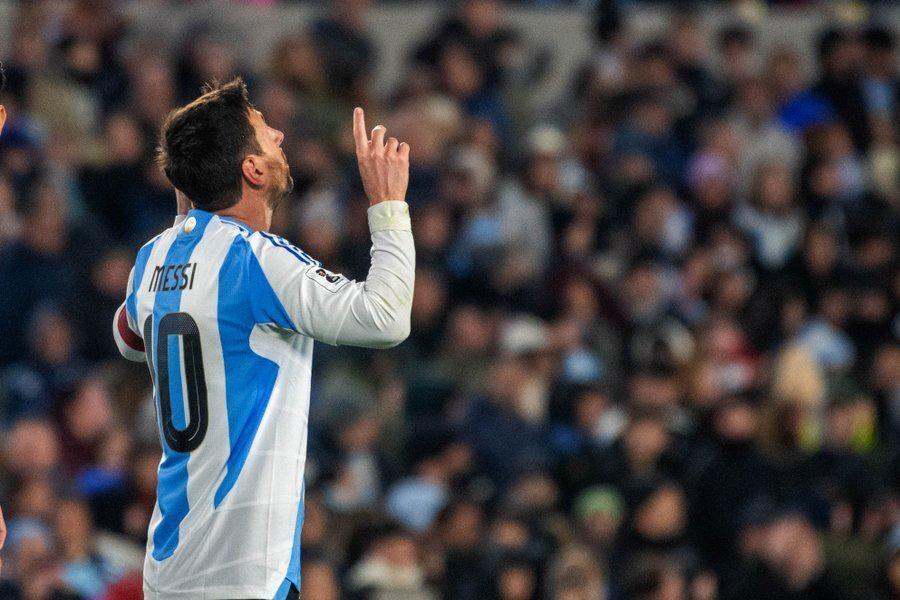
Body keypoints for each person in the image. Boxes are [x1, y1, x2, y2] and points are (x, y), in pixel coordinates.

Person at [111, 78, 414, 599]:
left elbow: (128, 337)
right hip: (246, 570)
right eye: (264, 131)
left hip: (167, 571)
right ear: (251, 169)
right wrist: (388, 206)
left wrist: (186, 217)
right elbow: (386, 319)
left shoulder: (151, 259)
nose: (279, 135)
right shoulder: (258, 259)